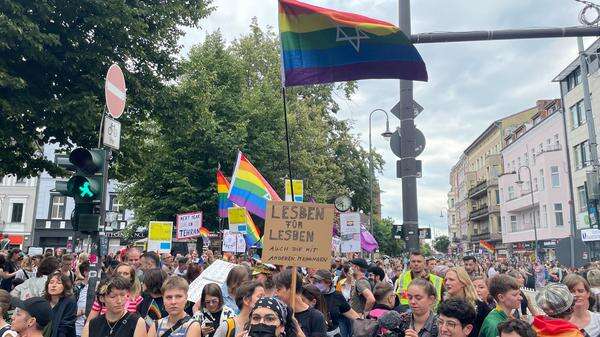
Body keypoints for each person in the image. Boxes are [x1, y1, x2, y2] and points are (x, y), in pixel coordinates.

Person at [82, 276, 147, 337]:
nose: (119, 301)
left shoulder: (137, 322)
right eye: (113, 296)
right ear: (102, 298)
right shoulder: (92, 325)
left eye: (122, 295)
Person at [274, 269, 326, 337]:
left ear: (291, 288)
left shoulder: (316, 317)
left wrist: (299, 333)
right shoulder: (279, 313)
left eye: (278, 289)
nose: (275, 294)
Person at [444, 267, 490, 337]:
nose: (447, 283)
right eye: (446, 280)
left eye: (451, 280)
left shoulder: (479, 305)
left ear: (463, 282)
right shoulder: (445, 304)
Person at [311, 269, 358, 337]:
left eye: (319, 281)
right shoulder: (310, 294)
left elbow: (352, 314)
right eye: (314, 281)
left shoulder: (337, 296)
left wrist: (365, 326)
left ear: (328, 283)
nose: (315, 283)